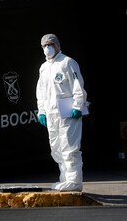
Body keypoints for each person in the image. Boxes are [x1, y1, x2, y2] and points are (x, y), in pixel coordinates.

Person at [36, 34, 87, 192]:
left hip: (68, 113)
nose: (47, 48)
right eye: (44, 46)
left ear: (57, 45)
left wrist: (78, 106)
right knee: (56, 147)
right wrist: (42, 111)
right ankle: (65, 178)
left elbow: (78, 86)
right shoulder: (44, 68)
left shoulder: (67, 62)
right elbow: (41, 91)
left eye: (50, 44)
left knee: (69, 147)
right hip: (52, 115)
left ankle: (75, 180)